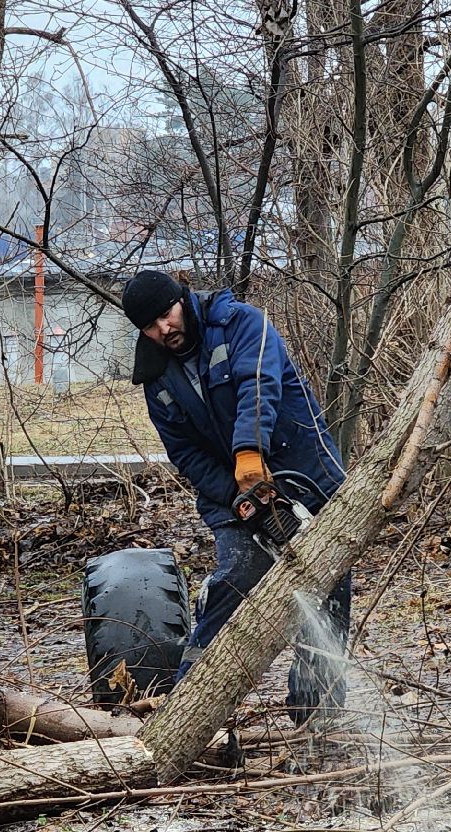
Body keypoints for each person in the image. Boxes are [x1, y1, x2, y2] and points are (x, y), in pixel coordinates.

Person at [120, 269, 351, 723]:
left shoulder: (243, 323)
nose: (164, 329)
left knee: (330, 586)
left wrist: (249, 453)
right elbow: (185, 453)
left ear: (182, 299)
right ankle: (189, 707)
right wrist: (238, 494)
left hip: (306, 468)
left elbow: (258, 385)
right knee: (238, 576)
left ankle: (316, 711)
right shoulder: (156, 379)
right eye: (150, 326)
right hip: (229, 493)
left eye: (167, 315)